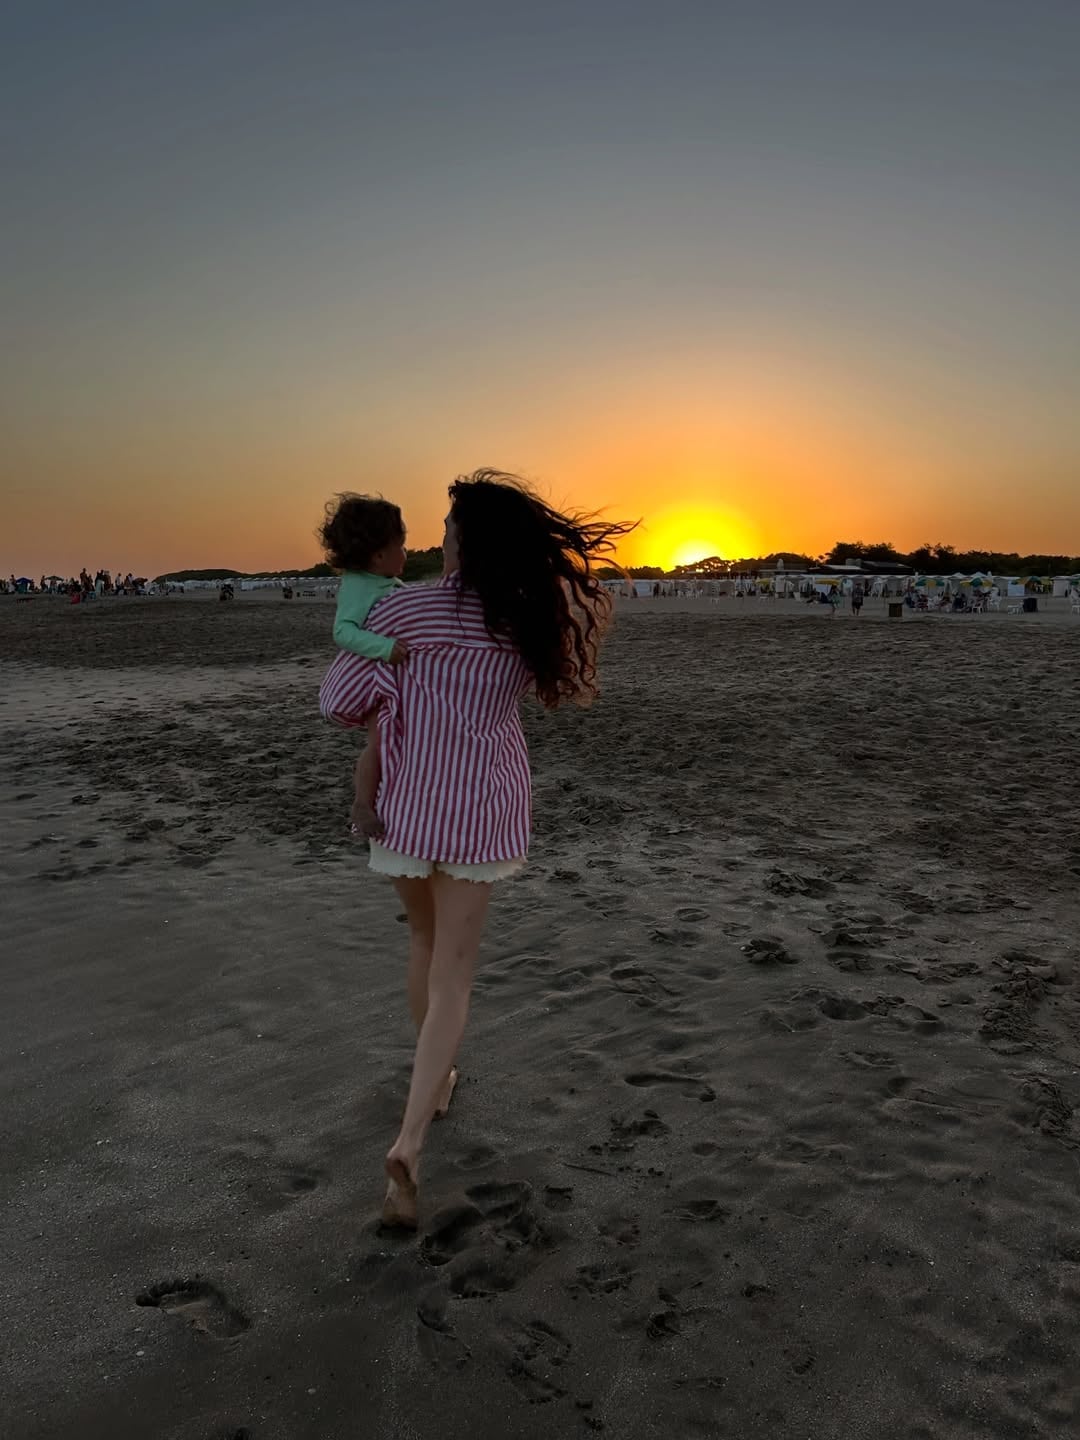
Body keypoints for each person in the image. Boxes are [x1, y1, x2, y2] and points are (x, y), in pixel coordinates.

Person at [320, 469, 631, 1228]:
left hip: (409, 806)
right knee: (455, 975)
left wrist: (396, 688)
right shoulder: (522, 618)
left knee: (422, 939)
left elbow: (337, 702)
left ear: (462, 543)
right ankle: (413, 1133)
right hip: (482, 810)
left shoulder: (406, 608)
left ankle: (436, 1086)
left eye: (450, 530)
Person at [320, 494, 411, 838]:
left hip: (385, 675)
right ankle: (362, 804)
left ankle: (380, 800)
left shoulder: (380, 580)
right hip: (370, 677)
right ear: (378, 556)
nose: (406, 554)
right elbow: (343, 631)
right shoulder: (359, 584)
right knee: (377, 741)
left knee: (387, 739)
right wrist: (385, 648)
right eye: (401, 547)